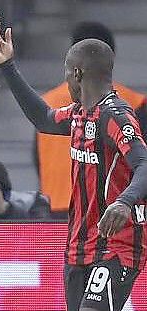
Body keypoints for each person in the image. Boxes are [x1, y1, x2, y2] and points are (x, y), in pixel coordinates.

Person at [0, 17, 147, 311]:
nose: (64, 79)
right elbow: (42, 118)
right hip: (78, 246)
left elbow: (145, 164)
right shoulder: (79, 116)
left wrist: (124, 201)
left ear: (77, 74)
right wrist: (7, 67)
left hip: (118, 244)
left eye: (65, 72)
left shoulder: (118, 115)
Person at [36, 22, 147, 218]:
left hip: (59, 206)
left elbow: (37, 157)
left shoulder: (49, 101)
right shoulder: (134, 103)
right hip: (107, 211)